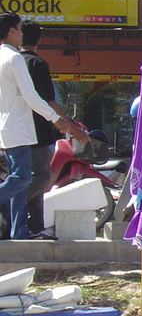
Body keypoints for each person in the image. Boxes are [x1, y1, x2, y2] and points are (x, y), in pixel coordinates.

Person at [0, 13, 89, 240]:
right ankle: (18, 228)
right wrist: (55, 118)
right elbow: (31, 96)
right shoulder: (15, 58)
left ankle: (18, 230)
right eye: (19, 29)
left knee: (19, 183)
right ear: (11, 31)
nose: (21, 33)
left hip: (8, 128)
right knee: (22, 179)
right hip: (18, 128)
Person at [20, 21, 64, 239]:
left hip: (13, 132)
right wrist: (68, 124)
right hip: (36, 131)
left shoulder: (11, 62)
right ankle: (8, 202)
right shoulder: (37, 64)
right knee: (42, 177)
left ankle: (35, 225)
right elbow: (49, 101)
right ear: (39, 39)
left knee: (27, 178)